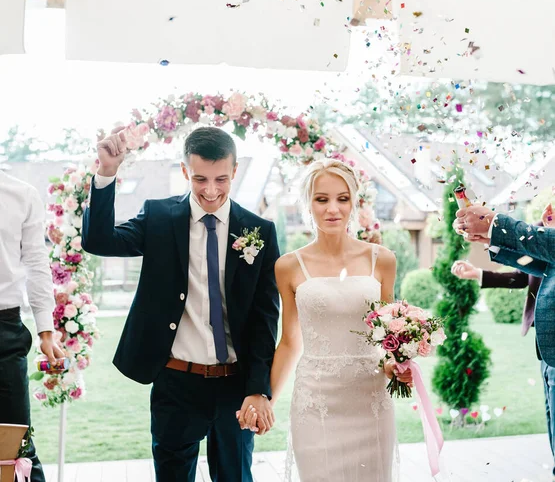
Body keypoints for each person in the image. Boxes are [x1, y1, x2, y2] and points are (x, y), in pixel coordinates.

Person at [81, 126, 280, 482]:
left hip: (235, 385)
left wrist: (258, 388)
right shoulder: (159, 218)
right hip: (175, 382)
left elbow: (265, 318)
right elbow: (99, 240)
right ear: (185, 171)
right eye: (200, 178)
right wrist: (107, 171)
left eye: (221, 179)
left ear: (235, 171)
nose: (211, 190)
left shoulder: (259, 231)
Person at [240, 159, 411, 481]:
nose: (333, 208)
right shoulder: (288, 266)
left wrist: (395, 365)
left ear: (354, 202)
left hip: (369, 400)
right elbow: (290, 342)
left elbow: (388, 335)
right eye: (322, 199)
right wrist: (266, 398)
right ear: (308, 203)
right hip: (316, 402)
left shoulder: (382, 260)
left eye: (342, 199)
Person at [455, 201, 555, 481]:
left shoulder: (543, 235)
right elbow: (530, 265)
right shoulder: (543, 230)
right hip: (547, 351)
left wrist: (492, 224)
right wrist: (490, 242)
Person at [0, 170, 63, 481]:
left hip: (4, 331)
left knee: (16, 446)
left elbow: (37, 263)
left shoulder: (21, 194)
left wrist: (45, 331)